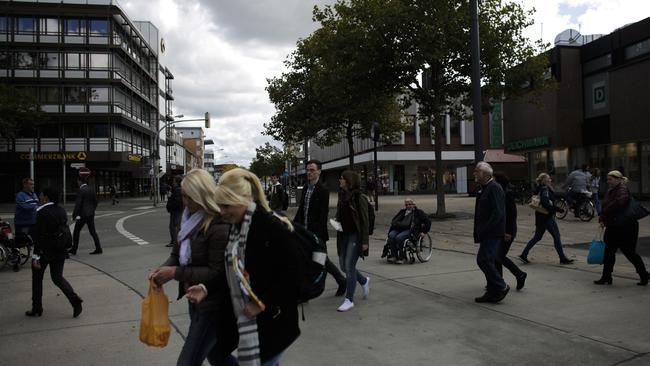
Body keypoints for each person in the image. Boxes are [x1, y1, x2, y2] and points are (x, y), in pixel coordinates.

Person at [186, 167, 302, 366]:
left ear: (242, 200)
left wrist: (262, 302)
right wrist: (206, 288)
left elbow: (294, 278)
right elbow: (233, 272)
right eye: (220, 206)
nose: (221, 212)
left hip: (274, 324)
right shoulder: (238, 228)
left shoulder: (272, 228)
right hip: (257, 324)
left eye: (226, 206)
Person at [150, 169, 234, 366]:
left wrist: (174, 273)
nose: (184, 202)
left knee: (187, 362)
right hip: (194, 300)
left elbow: (217, 272)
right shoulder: (188, 218)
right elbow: (176, 255)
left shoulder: (218, 225)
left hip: (213, 305)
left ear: (202, 196)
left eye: (189, 197)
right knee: (218, 357)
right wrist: (160, 271)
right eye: (183, 196)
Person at [27, 187, 83, 318]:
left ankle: (37, 308)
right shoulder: (61, 210)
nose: (39, 198)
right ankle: (74, 300)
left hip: (44, 250)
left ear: (46, 197)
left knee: (37, 279)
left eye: (41, 195)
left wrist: (35, 256)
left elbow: (38, 236)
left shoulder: (41, 212)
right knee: (58, 278)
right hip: (60, 249)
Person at [293, 160, 347, 297]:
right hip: (304, 233)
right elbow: (301, 210)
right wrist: (293, 226)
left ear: (319, 171)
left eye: (312, 170)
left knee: (321, 261)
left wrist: (315, 237)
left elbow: (323, 216)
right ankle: (305, 292)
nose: (309, 172)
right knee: (306, 261)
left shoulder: (323, 190)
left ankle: (341, 281)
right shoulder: (306, 188)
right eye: (307, 170)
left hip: (316, 235)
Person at [594, 170, 649, 286]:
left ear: (618, 179)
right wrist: (602, 218)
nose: (608, 182)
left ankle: (644, 275)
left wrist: (605, 210)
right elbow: (605, 206)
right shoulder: (610, 191)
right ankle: (606, 277)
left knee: (629, 252)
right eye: (608, 179)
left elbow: (620, 203)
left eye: (611, 179)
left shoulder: (622, 189)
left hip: (626, 226)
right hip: (614, 225)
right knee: (609, 252)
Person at [472, 162, 509, 303]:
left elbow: (498, 212)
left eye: (477, 171)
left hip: (492, 232)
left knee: (484, 260)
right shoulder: (483, 188)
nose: (475, 173)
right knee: (487, 260)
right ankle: (492, 291)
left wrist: (486, 227)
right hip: (486, 231)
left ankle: (501, 286)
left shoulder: (494, 188)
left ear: (486, 174)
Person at [335, 170, 371, 312]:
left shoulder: (359, 197)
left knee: (349, 267)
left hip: (355, 236)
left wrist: (365, 241)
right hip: (343, 235)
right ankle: (363, 281)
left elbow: (364, 220)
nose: (340, 180)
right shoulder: (342, 195)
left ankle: (349, 299)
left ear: (349, 181)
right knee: (344, 266)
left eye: (342, 178)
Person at [518, 173, 574, 265]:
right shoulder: (545, 189)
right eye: (548, 179)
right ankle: (562, 258)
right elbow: (545, 203)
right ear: (545, 180)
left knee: (537, 237)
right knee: (556, 236)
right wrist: (557, 209)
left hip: (540, 217)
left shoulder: (540, 188)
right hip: (547, 217)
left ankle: (524, 254)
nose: (550, 180)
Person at [493, 173, 527, 291]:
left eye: (495, 180)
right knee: (497, 257)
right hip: (502, 231)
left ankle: (519, 274)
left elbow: (512, 215)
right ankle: (499, 281)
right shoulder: (500, 193)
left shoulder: (506, 195)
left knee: (498, 256)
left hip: (508, 231)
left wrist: (508, 232)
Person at [386, 198, 431, 264]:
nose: (408, 206)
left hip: (410, 230)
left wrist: (424, 232)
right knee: (391, 235)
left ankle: (403, 257)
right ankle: (394, 256)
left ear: (414, 204)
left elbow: (428, 222)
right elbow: (394, 220)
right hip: (399, 228)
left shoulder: (419, 212)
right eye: (406, 205)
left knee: (399, 238)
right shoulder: (402, 211)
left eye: (410, 204)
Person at [70, 176, 102, 255]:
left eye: (78, 181)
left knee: (76, 231)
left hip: (82, 215)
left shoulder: (81, 190)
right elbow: (95, 202)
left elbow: (78, 204)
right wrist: (92, 210)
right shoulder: (91, 189)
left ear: (80, 181)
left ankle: (74, 249)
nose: (77, 183)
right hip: (90, 214)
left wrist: (74, 215)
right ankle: (98, 248)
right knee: (93, 231)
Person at [14, 177, 38, 271]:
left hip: (33, 222)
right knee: (19, 242)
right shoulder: (20, 195)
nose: (33, 186)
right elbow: (24, 206)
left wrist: (34, 206)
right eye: (31, 184)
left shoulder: (34, 194)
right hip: (22, 223)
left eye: (33, 184)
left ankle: (36, 259)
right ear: (25, 185)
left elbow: (37, 204)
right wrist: (34, 206)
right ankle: (17, 261)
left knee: (36, 241)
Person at [166, 176, 183, 248]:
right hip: (177, 211)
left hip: (176, 211)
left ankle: (174, 241)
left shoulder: (177, 190)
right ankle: (175, 241)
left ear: (177, 182)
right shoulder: (177, 189)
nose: (173, 183)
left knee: (173, 226)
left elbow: (176, 201)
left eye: (174, 181)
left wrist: (170, 198)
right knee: (175, 226)